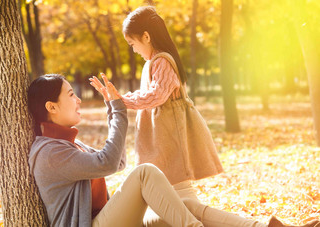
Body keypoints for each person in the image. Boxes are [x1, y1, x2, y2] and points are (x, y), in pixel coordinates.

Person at [97, 5, 319, 227]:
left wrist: (120, 101)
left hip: (170, 148)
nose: (134, 49)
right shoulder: (151, 64)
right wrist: (117, 99)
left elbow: (156, 95)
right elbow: (148, 95)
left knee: (188, 210)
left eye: (133, 44)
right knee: (188, 210)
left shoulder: (162, 61)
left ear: (146, 36)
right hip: (162, 151)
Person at [28, 74, 204, 227]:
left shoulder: (70, 145)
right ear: (52, 107)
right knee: (144, 173)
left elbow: (117, 161)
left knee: (187, 206)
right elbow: (108, 162)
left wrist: (113, 108)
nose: (78, 100)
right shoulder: (50, 153)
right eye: (71, 95)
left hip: (108, 220)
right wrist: (117, 109)